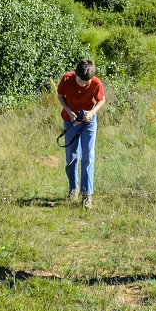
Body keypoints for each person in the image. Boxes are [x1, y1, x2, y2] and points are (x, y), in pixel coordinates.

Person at [56, 59, 106, 208]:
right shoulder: (66, 78)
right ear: (75, 74)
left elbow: (101, 100)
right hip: (70, 120)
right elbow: (60, 95)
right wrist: (70, 113)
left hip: (88, 121)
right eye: (80, 81)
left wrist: (92, 113)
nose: (83, 84)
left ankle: (86, 195)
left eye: (86, 82)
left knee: (88, 157)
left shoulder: (96, 83)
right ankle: (73, 188)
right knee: (72, 157)